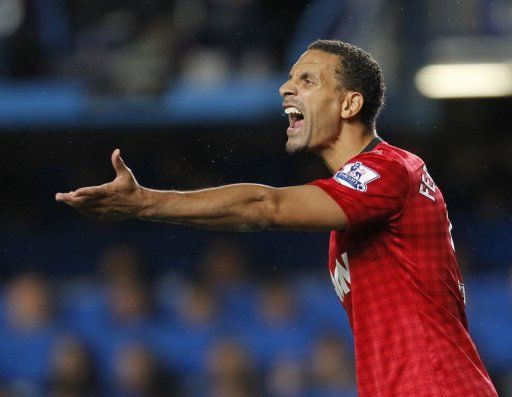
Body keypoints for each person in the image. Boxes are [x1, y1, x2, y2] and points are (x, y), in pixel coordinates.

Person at [56, 39, 497, 396]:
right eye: (288, 79)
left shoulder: (387, 169)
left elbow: (264, 206)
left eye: (307, 80)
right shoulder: (367, 191)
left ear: (349, 105)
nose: (286, 89)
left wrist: (145, 203)